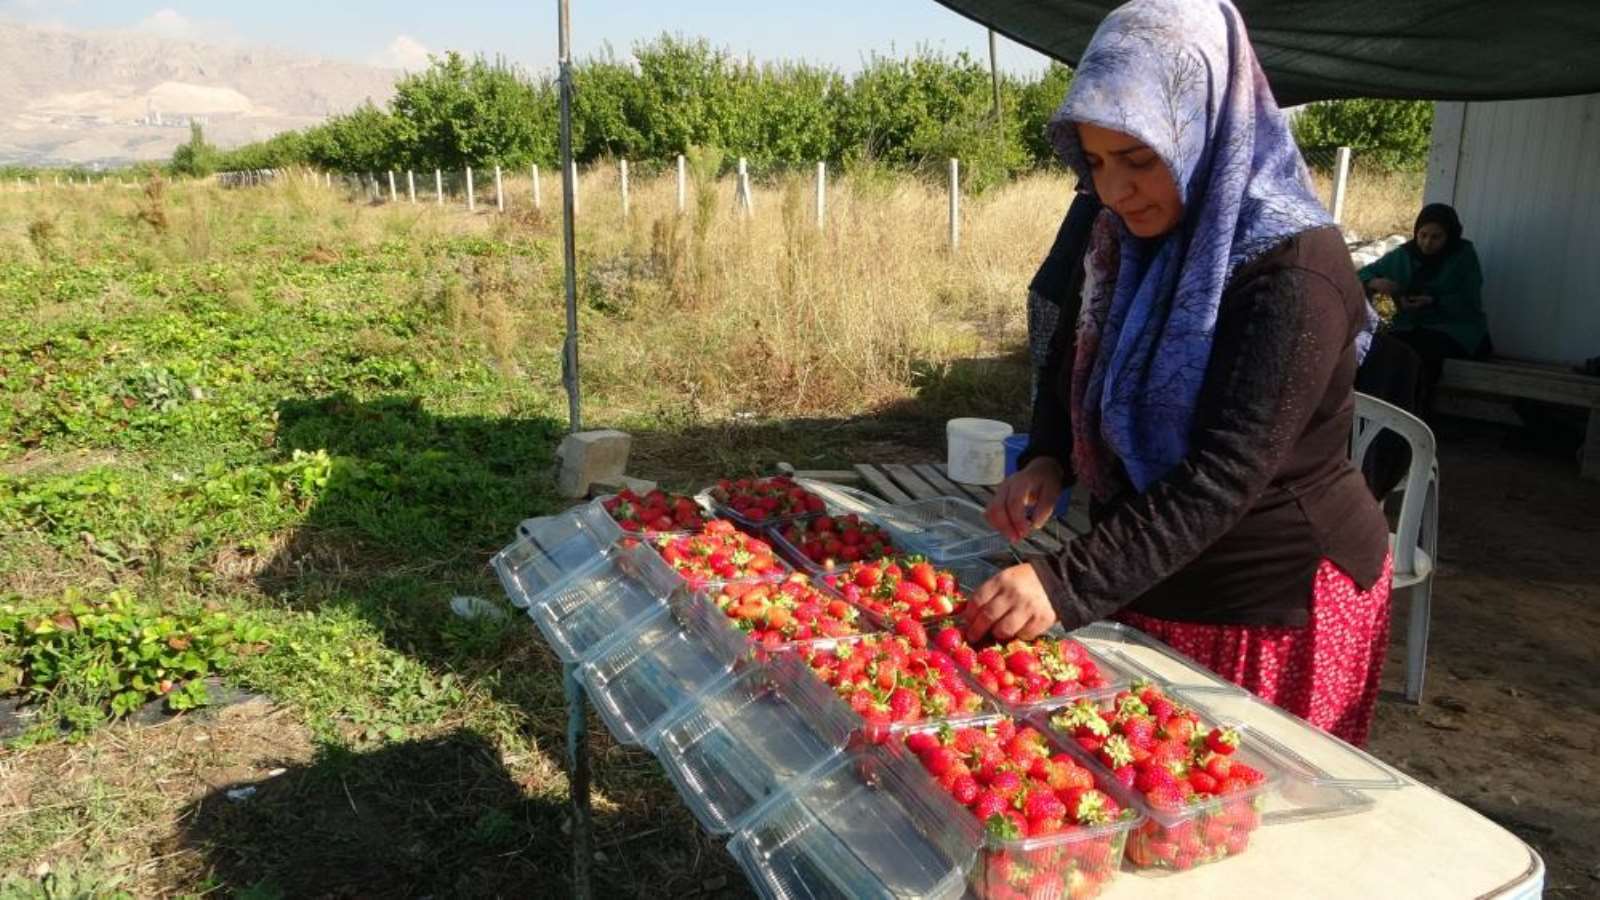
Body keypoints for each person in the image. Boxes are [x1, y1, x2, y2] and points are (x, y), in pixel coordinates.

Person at [966, 0, 1393, 745]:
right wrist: (1049, 457)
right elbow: (1074, 355)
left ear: (1205, 131)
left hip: (1266, 600)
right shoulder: (1119, 239)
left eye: (1139, 159)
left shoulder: (1294, 270)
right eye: (1095, 162)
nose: (1114, 190)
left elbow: (1225, 473)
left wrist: (1064, 582)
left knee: (1242, 814)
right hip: (1146, 567)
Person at [1358, 203, 1491, 417]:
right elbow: (1362, 274)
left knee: (1416, 353)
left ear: (1449, 236)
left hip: (1455, 330)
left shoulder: (1462, 256)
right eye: (1423, 235)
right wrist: (1375, 282)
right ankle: (1376, 414)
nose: (1427, 243)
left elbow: (1469, 301)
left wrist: (1434, 301)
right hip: (1412, 327)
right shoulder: (1405, 255)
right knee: (1378, 347)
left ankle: (1415, 415)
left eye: (1436, 237)